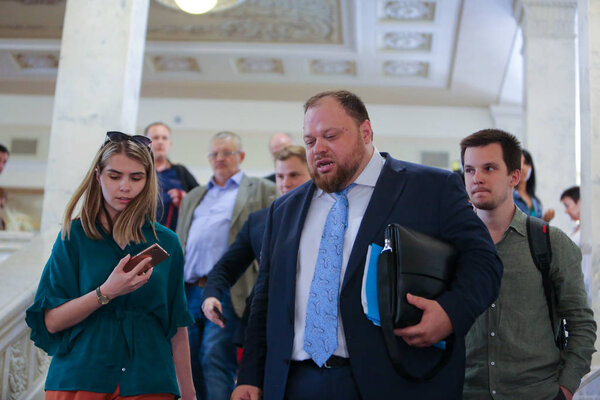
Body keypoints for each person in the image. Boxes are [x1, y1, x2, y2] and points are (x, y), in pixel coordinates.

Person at [232, 90, 502, 400]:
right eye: (309, 141)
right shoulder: (285, 210)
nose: (318, 149)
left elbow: (484, 262)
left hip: (396, 381)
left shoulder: (430, 188)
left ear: (366, 132)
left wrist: (450, 313)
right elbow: (265, 298)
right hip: (295, 382)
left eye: (330, 136)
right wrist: (249, 376)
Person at [25, 131, 195, 399]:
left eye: (136, 177)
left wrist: (190, 394)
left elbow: (177, 328)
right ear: (98, 176)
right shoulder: (74, 236)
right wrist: (106, 292)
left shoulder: (167, 242)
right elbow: (51, 321)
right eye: (114, 176)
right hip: (82, 376)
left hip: (149, 380)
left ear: (149, 180)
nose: (125, 186)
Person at [460, 129, 596, 400]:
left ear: (514, 176)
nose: (477, 178)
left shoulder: (550, 243)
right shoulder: (450, 245)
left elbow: (581, 324)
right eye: (469, 170)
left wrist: (565, 390)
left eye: (489, 168)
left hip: (537, 393)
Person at [175, 131, 276, 400]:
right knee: (188, 360)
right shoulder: (194, 195)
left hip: (227, 290)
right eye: (214, 153)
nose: (219, 158)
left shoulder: (261, 189)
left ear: (241, 157)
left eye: (226, 153)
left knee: (215, 359)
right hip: (188, 290)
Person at [201, 145, 311, 348]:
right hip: (266, 326)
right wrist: (212, 295)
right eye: (280, 176)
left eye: (294, 175)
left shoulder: (330, 218)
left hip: (313, 324)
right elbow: (226, 267)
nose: (285, 183)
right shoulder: (259, 221)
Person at [144, 122, 199, 231]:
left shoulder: (180, 171)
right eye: (155, 138)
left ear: (170, 144)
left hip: (174, 235)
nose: (160, 142)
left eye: (164, 138)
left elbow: (201, 200)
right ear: (146, 144)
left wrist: (186, 199)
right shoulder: (139, 171)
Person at [514, 149, 555, 222]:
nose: (522, 167)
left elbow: (538, 229)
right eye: (518, 163)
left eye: (526, 163)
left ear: (531, 168)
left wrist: (545, 220)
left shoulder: (535, 202)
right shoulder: (507, 197)